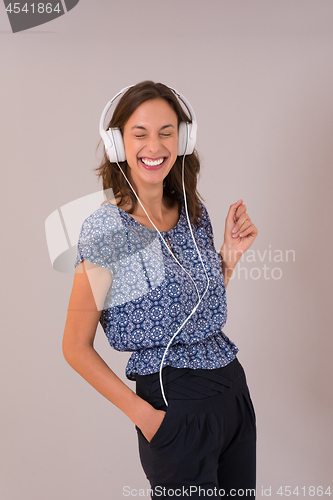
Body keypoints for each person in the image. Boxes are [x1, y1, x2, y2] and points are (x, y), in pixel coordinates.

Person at [62, 81, 258, 499]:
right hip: (173, 406)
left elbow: (196, 309)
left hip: (232, 393)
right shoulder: (107, 230)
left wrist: (228, 257)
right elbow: (75, 346)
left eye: (167, 132)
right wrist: (149, 419)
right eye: (140, 133)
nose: (155, 145)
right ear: (118, 143)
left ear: (183, 139)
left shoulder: (193, 211)